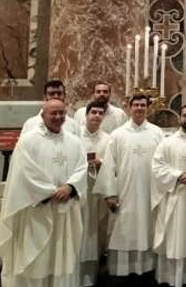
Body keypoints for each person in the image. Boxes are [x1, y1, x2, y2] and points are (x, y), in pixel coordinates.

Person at [0, 99, 87, 287]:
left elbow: (82, 168)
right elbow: (24, 172)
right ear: (43, 114)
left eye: (62, 113)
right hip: (37, 212)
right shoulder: (28, 141)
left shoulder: (74, 141)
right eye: (53, 113)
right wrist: (51, 192)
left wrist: (70, 187)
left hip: (64, 211)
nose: (58, 117)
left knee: (61, 260)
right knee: (37, 260)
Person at [94, 94, 165, 284]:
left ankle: (146, 270)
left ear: (148, 108)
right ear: (129, 107)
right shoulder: (118, 134)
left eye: (143, 105)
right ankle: (123, 273)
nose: (140, 108)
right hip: (125, 193)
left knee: (147, 229)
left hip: (150, 193)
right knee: (124, 229)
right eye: (136, 105)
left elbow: (163, 164)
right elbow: (108, 165)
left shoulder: (157, 133)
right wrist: (109, 194)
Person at [150, 105, 186, 287]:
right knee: (174, 239)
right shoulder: (167, 142)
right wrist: (177, 176)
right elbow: (157, 167)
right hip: (174, 198)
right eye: (185, 115)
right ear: (179, 118)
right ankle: (171, 278)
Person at [79, 101, 112, 287]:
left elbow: (112, 164)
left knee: (94, 234)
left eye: (100, 113)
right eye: (93, 112)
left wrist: (102, 164)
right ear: (86, 114)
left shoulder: (108, 139)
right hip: (80, 192)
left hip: (98, 193)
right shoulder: (75, 138)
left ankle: (91, 277)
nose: (97, 116)